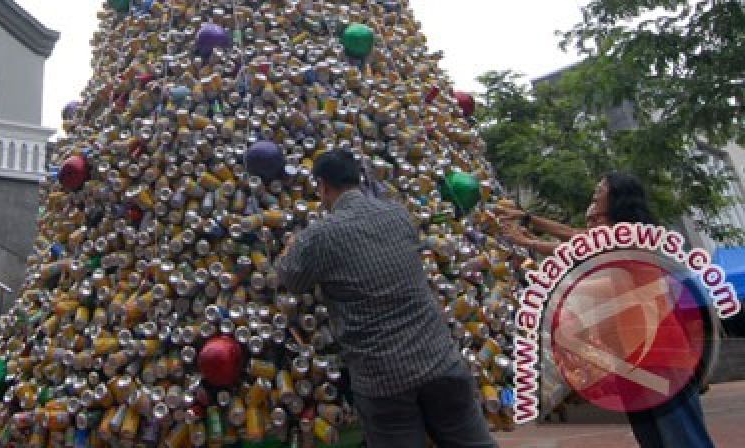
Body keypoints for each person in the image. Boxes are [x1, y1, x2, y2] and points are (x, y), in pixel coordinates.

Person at [275, 149, 497, 448]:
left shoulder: (322, 235)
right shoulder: (398, 214)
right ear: (357, 179)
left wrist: (289, 248)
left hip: (385, 378)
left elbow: (291, 279)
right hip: (441, 361)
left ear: (323, 186)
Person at [497, 172, 716, 448]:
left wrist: (530, 242)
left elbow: (582, 246)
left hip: (662, 359)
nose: (596, 191)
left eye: (602, 188)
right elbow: (579, 239)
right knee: (654, 440)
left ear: (618, 197)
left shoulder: (638, 236)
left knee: (684, 440)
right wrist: (529, 221)